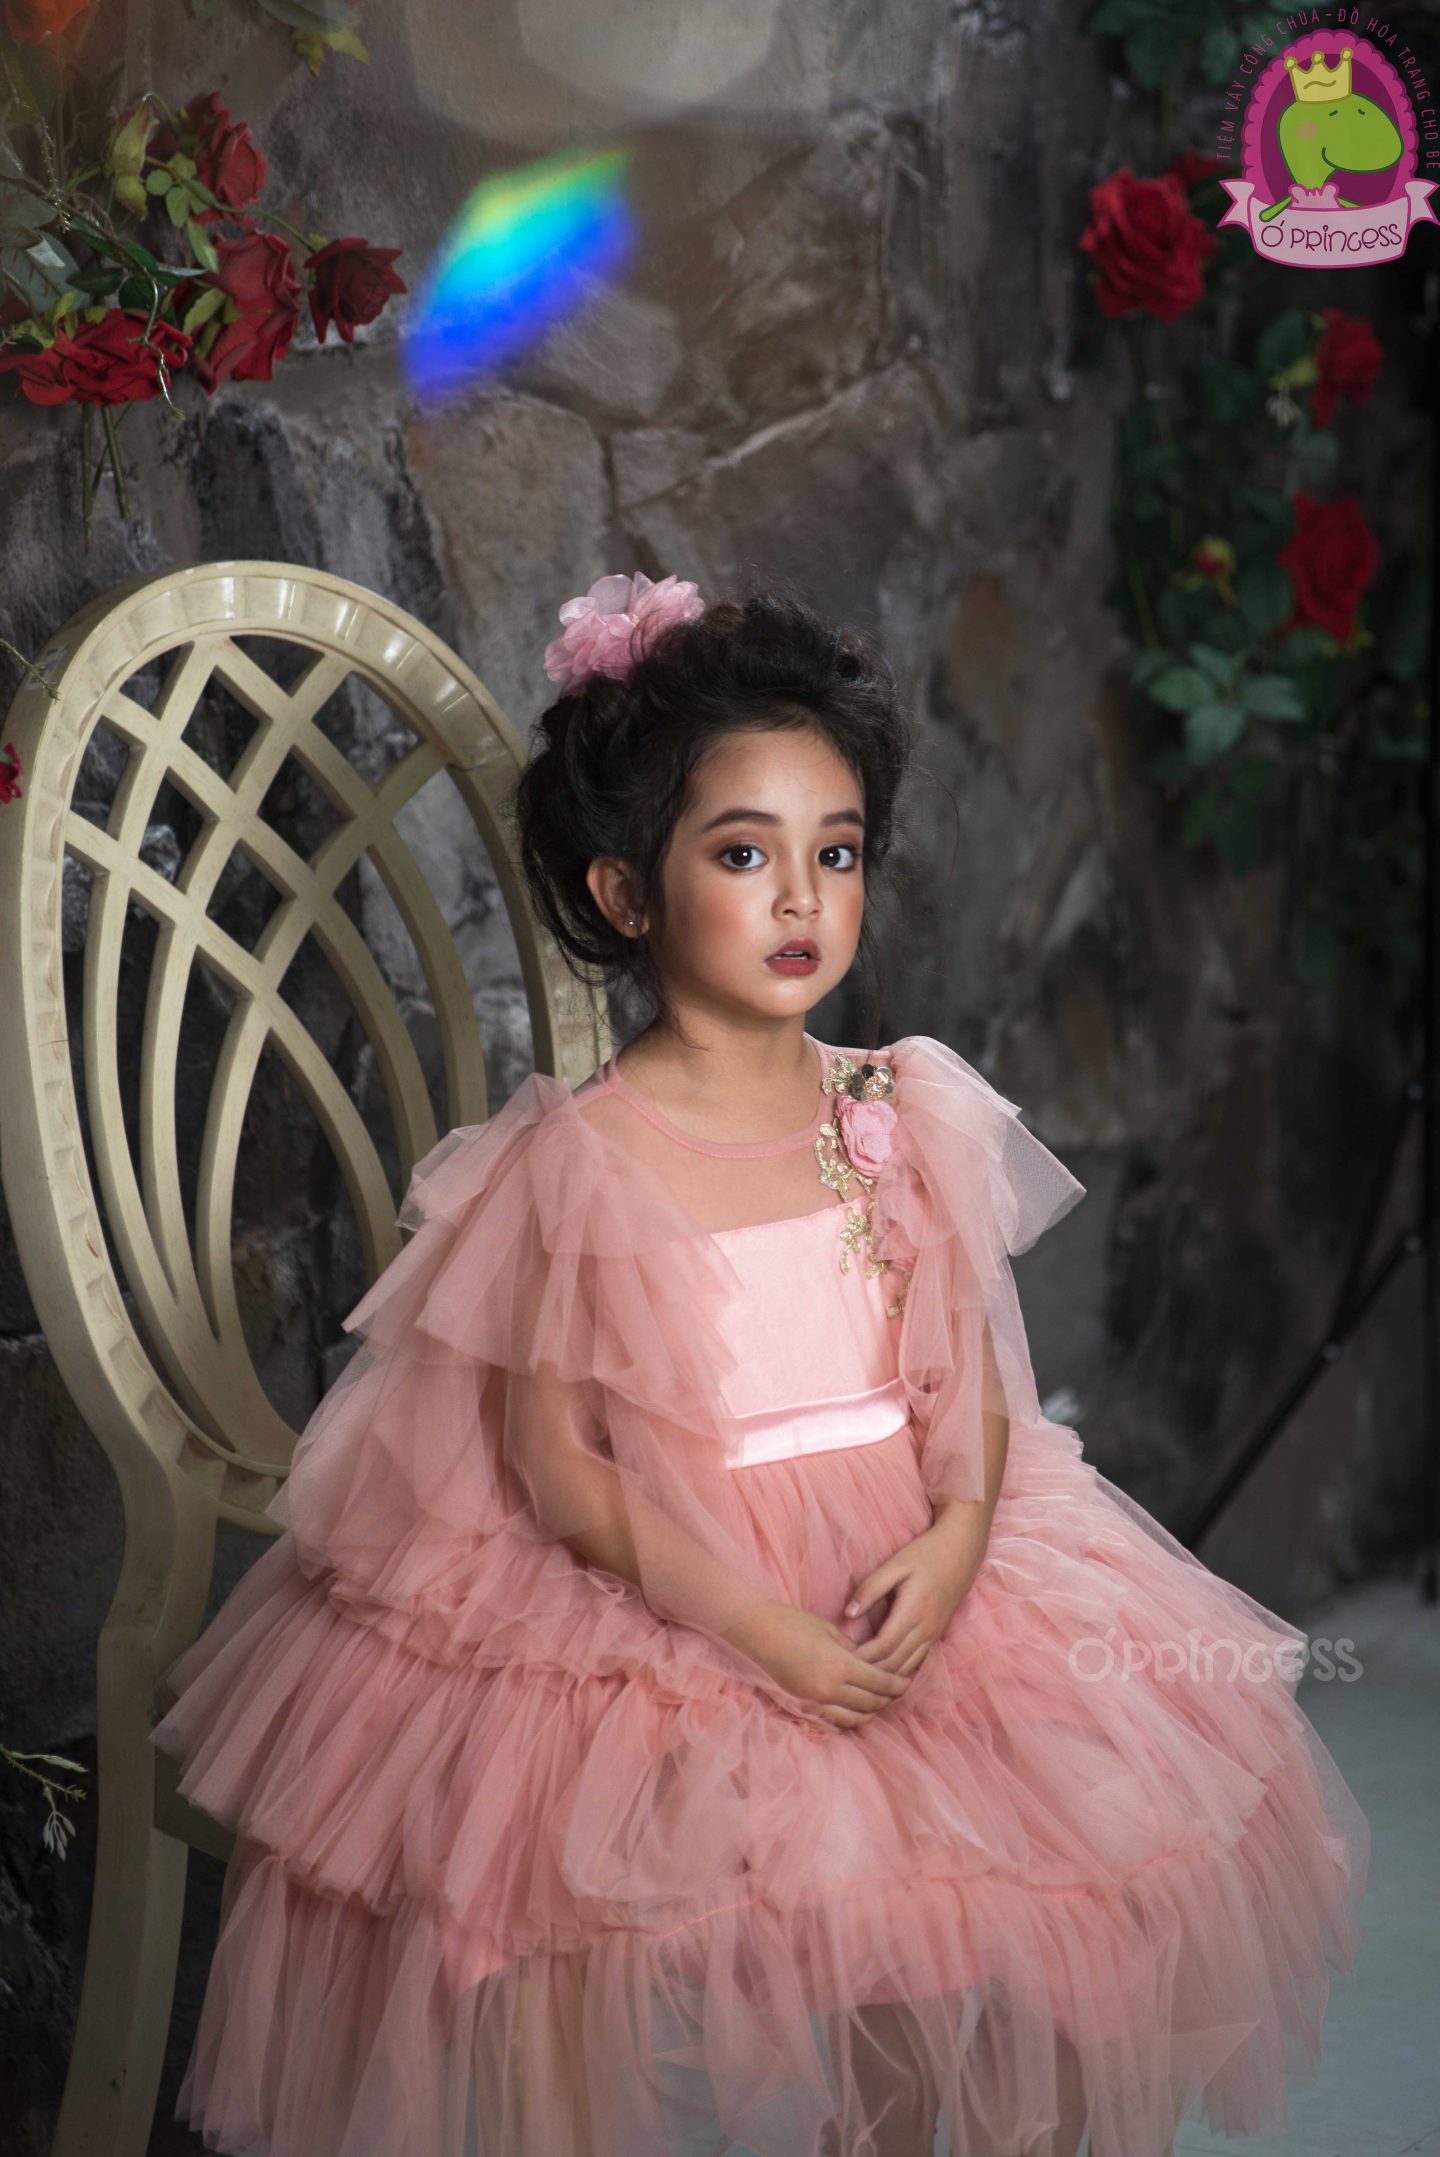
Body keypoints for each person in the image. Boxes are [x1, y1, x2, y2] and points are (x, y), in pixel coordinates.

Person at [150, 570, 1370, 2157]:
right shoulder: (579, 1159)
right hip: (687, 1582)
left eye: (835, 851)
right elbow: (558, 1467)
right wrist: (761, 1629)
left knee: (1045, 1884)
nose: (802, 897)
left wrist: (955, 1532)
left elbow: (966, 1381)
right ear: (626, 891)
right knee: (578, 1896)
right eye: (744, 854)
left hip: (902, 1554)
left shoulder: (896, 1110)